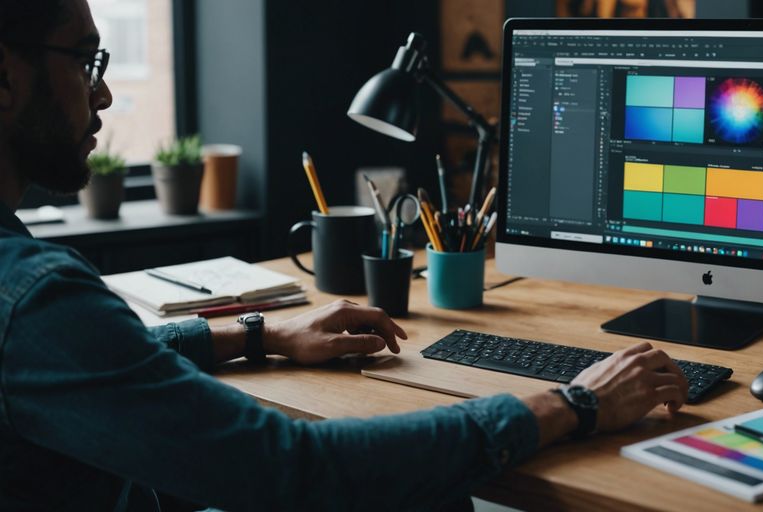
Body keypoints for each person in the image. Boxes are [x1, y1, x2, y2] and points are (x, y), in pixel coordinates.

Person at [0, 1, 689, 510]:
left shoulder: (27, 293)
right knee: (423, 492)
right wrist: (574, 403)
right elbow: (299, 469)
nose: (103, 92)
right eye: (85, 60)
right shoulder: (35, 298)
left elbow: (103, 362)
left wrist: (259, 332)